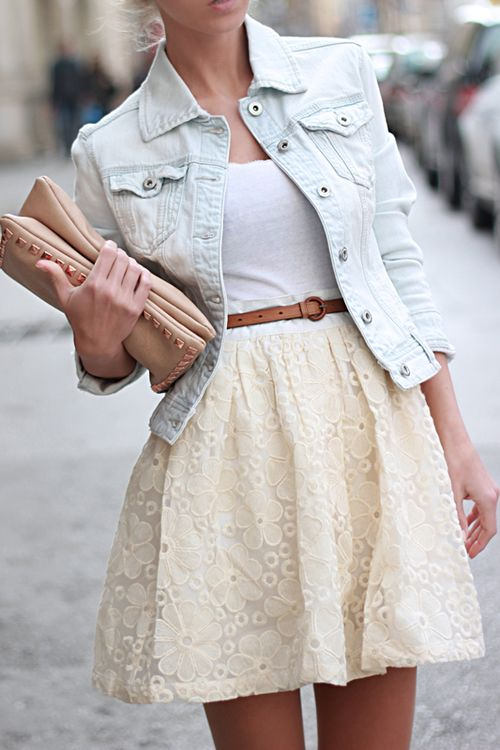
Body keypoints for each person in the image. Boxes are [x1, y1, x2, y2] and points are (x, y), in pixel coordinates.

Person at [35, 2, 499, 749]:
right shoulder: (110, 147)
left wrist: (455, 438)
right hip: (227, 456)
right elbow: (123, 357)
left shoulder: (339, 77)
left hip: (365, 429)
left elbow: (396, 263)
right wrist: (95, 339)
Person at [49, 42, 83, 156]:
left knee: (75, 123)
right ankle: (68, 146)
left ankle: (74, 145)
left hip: (74, 99)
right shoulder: (57, 66)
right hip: (63, 100)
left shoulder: (75, 64)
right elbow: (54, 84)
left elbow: (80, 81)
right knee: (65, 125)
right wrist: (54, 102)